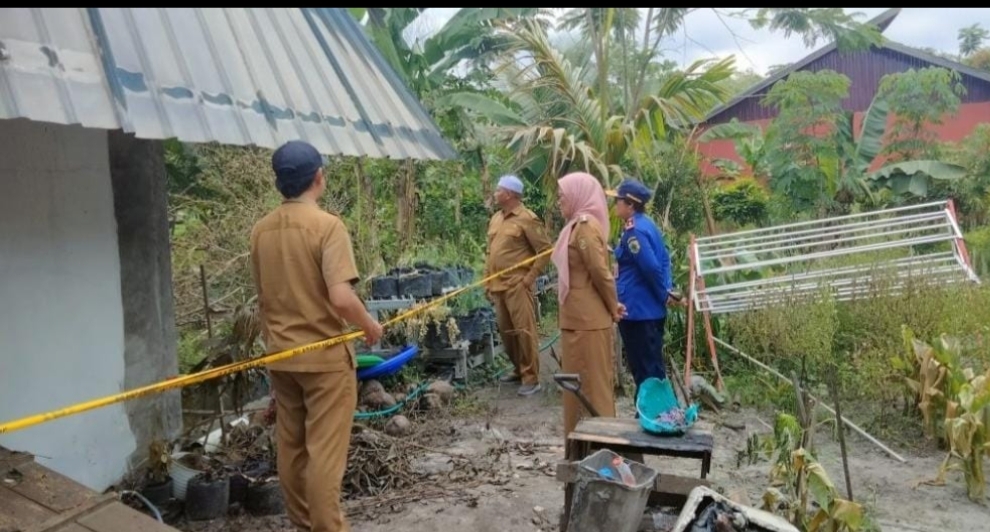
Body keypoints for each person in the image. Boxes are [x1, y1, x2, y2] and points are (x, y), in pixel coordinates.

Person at [250, 140, 383, 532]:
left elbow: (264, 298)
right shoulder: (328, 226)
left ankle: (303, 524)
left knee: (291, 448)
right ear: (319, 178)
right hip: (324, 362)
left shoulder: (261, 230)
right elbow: (341, 297)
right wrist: (369, 326)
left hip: (281, 357)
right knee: (324, 453)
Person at [551, 172, 624, 453]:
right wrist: (612, 306)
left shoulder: (584, 228)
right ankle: (581, 449)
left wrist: (612, 308)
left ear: (579, 195)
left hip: (587, 324)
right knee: (578, 388)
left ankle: (599, 451)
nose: (559, 201)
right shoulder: (577, 226)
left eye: (562, 195)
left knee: (590, 389)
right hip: (579, 320)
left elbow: (601, 274)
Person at [606, 177, 675, 401]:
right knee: (649, 365)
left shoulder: (635, 232)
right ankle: (650, 411)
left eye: (618, 201)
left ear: (630, 205)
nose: (615, 205)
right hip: (646, 309)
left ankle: (653, 413)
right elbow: (664, 261)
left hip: (639, 311)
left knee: (645, 368)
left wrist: (663, 294)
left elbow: (652, 267)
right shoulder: (647, 225)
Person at [483, 174, 553, 396]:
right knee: (507, 332)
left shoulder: (527, 219)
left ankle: (531, 378)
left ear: (510, 194)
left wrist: (529, 278)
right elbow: (490, 252)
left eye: (498, 190)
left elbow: (545, 251)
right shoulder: (496, 219)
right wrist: (487, 280)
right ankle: (517, 369)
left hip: (517, 285)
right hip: (497, 286)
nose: (495, 194)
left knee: (524, 331)